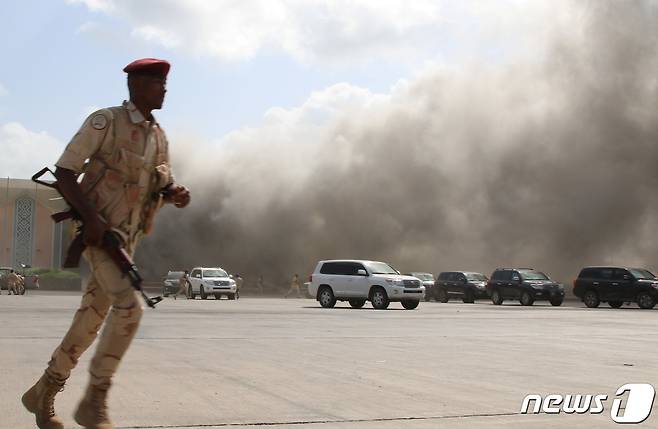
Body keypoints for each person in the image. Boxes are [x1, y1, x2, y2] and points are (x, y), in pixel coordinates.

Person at [21, 58, 190, 429]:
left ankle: (43, 391)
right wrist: (92, 218)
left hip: (127, 242)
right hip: (98, 236)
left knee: (91, 319)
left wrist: (174, 192)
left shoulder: (158, 136)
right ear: (137, 85)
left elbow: (160, 183)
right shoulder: (107, 121)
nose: (164, 89)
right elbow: (65, 171)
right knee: (131, 309)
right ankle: (95, 399)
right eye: (158, 83)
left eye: (165, 83)